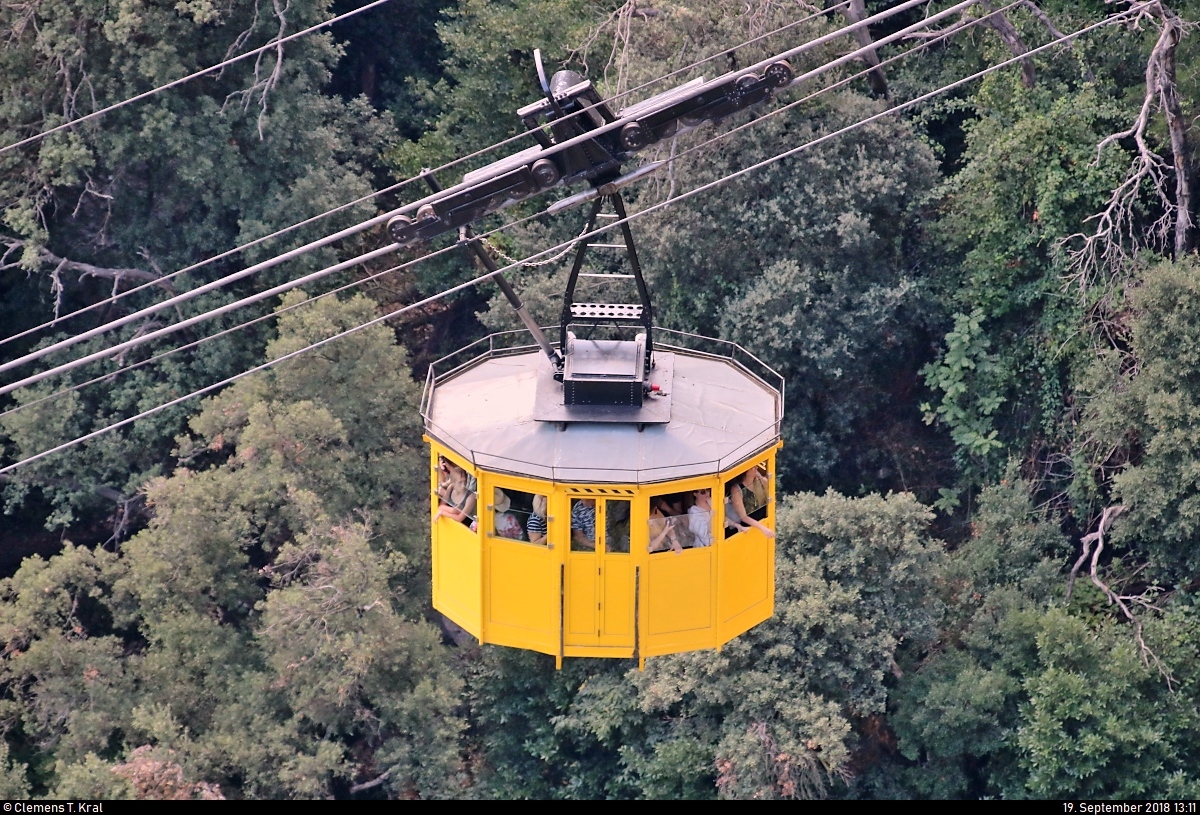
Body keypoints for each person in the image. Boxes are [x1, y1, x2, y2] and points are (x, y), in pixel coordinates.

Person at [727, 465, 774, 539]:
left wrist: (760, 477)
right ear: (745, 471)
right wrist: (762, 528)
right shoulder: (736, 489)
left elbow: (770, 488)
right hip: (749, 528)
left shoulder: (759, 482)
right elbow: (743, 517)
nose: (756, 468)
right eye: (753, 467)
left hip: (764, 521)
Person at [434, 460, 476, 526]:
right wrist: (452, 511)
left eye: (465, 482)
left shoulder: (471, 497)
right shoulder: (451, 488)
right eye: (460, 482)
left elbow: (459, 518)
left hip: (465, 526)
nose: (463, 485)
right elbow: (441, 506)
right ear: (453, 482)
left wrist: (443, 512)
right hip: (450, 523)